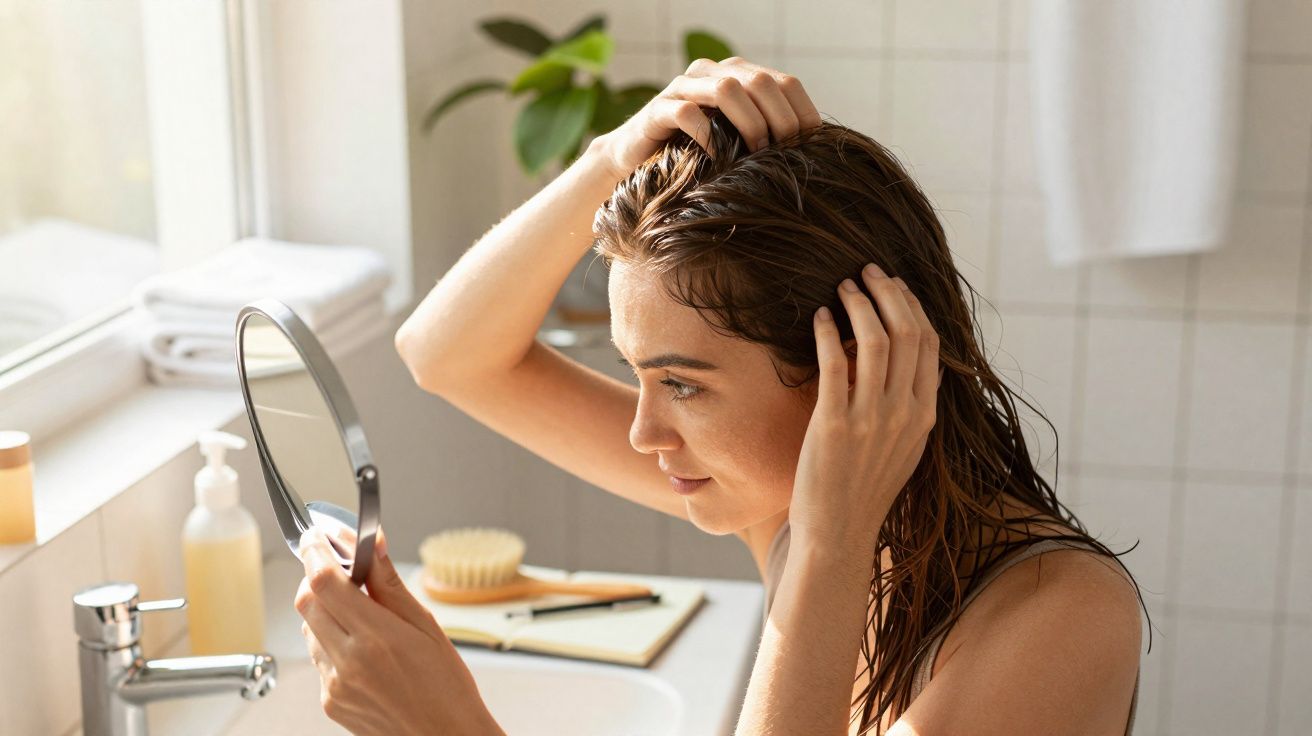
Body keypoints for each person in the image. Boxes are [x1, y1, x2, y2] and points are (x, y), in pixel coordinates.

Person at [294, 57, 1149, 735]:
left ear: (856, 368)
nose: (641, 432)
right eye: (637, 374)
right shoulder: (780, 506)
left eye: (681, 384)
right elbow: (448, 355)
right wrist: (615, 155)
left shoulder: (1057, 616)